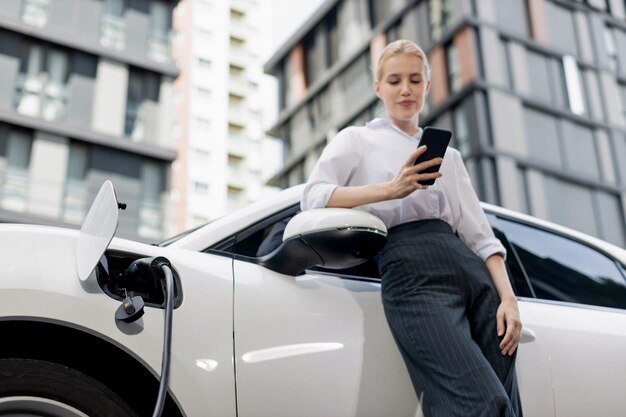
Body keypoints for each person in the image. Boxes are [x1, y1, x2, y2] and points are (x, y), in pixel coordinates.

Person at [300, 39, 523, 417]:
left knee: (506, 408)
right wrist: (392, 189)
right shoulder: (357, 139)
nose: (406, 89)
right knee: (483, 404)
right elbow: (313, 197)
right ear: (378, 88)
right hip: (413, 274)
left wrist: (509, 299)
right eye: (394, 80)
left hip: (474, 279)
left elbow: (481, 236)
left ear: (427, 85)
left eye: (415, 80)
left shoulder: (449, 157)